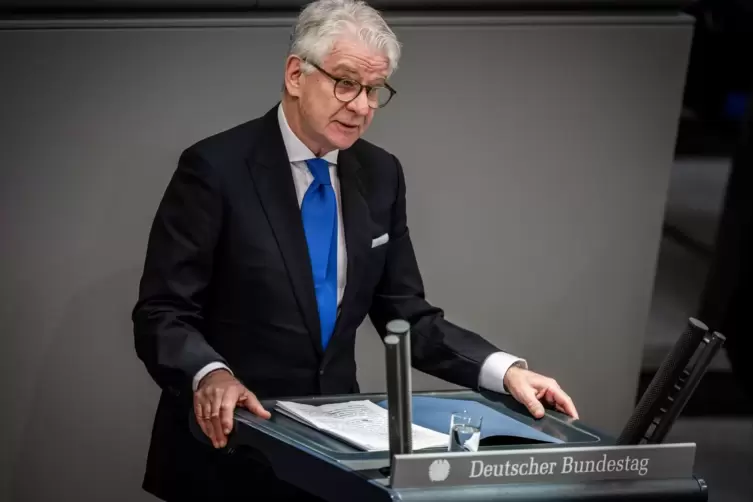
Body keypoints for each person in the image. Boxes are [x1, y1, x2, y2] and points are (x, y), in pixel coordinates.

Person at [132, 1, 579, 500]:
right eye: (345, 83)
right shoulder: (215, 169)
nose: (362, 105)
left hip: (330, 455)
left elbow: (407, 315)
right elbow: (163, 312)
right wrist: (210, 374)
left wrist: (505, 371)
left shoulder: (381, 174)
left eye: (373, 90)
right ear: (296, 74)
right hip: (227, 448)